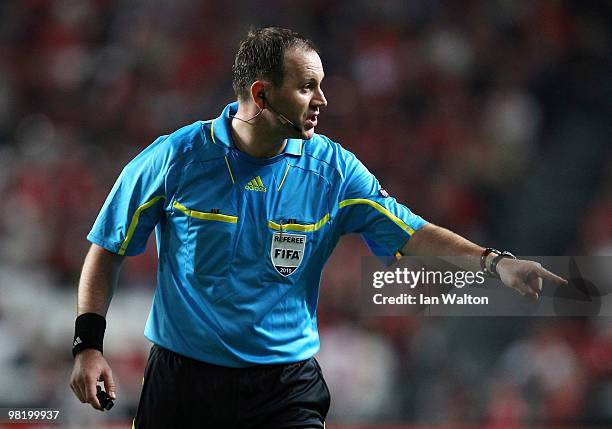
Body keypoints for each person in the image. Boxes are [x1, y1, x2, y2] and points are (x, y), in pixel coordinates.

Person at [69, 27, 566, 428]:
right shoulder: (174, 159)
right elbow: (107, 249)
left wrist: (494, 262)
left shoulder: (333, 171)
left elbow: (411, 233)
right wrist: (88, 346)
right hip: (182, 383)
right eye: (307, 87)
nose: (322, 100)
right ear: (262, 94)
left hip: (284, 389)